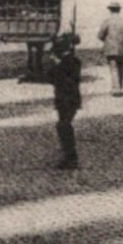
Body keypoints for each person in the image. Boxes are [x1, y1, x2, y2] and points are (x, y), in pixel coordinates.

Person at [46, 32, 83, 170]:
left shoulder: (67, 63)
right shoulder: (74, 61)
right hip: (69, 99)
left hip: (67, 99)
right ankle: (69, 156)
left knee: (64, 126)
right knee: (63, 125)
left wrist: (56, 65)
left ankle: (71, 158)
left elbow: (54, 77)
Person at [96, 1, 123, 96]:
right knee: (121, 68)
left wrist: (107, 40)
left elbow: (100, 35)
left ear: (110, 10)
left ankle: (116, 89)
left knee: (113, 69)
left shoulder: (107, 22)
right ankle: (120, 87)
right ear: (119, 10)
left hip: (110, 49)